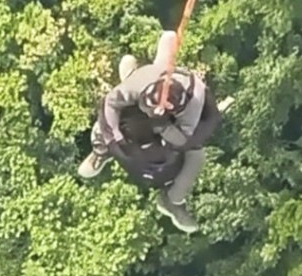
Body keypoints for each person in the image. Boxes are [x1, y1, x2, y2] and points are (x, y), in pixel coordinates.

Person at [77, 31, 221, 233]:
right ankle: (100, 152)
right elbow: (109, 103)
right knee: (112, 118)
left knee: (196, 156)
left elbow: (183, 140)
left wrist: (163, 126)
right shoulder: (143, 82)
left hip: (175, 125)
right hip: (148, 83)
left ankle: (172, 200)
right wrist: (114, 139)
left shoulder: (193, 105)